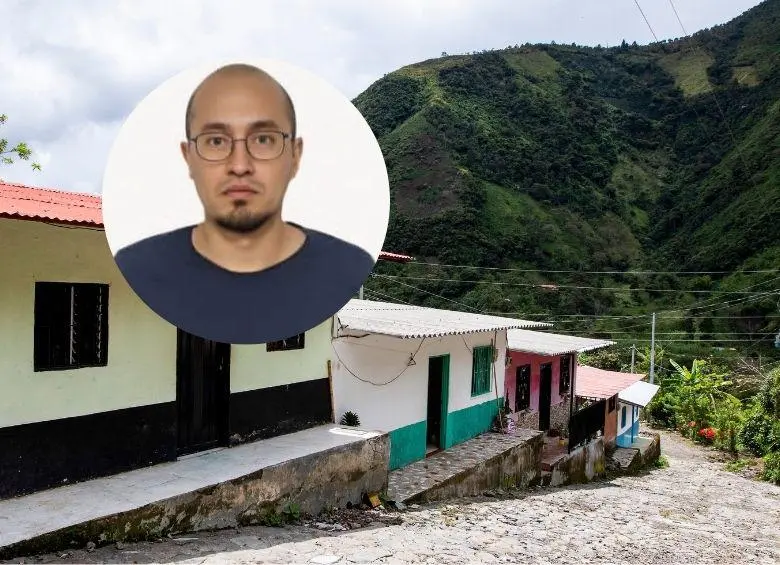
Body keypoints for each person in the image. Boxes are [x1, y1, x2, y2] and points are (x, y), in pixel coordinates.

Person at [113, 63, 376, 344]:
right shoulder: (139, 264)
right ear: (188, 157)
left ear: (295, 156)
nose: (239, 165)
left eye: (263, 139)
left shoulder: (345, 267)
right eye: (215, 141)